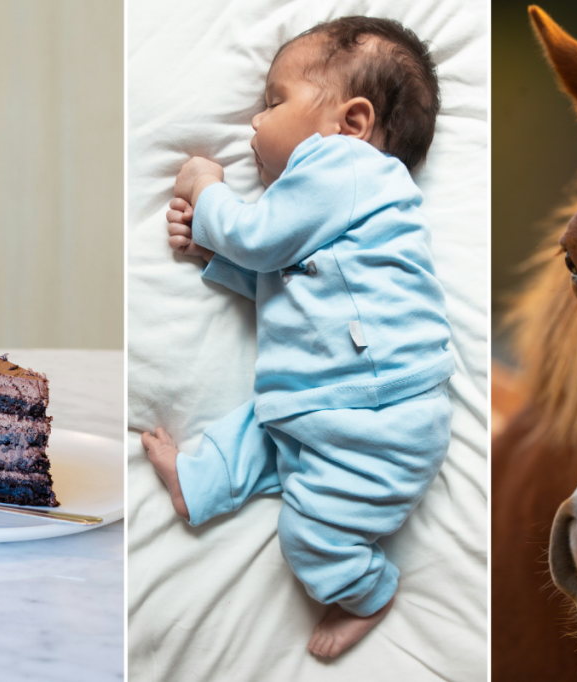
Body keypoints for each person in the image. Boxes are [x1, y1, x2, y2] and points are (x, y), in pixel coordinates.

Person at [143, 16, 452, 658]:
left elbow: (260, 241)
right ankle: (197, 483)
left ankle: (369, 590)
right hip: (328, 401)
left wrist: (207, 193)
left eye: (274, 101)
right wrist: (214, 256)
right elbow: (292, 281)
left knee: (309, 535)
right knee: (260, 429)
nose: (254, 123)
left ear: (354, 121)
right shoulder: (333, 209)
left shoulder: (347, 166)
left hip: (378, 415)